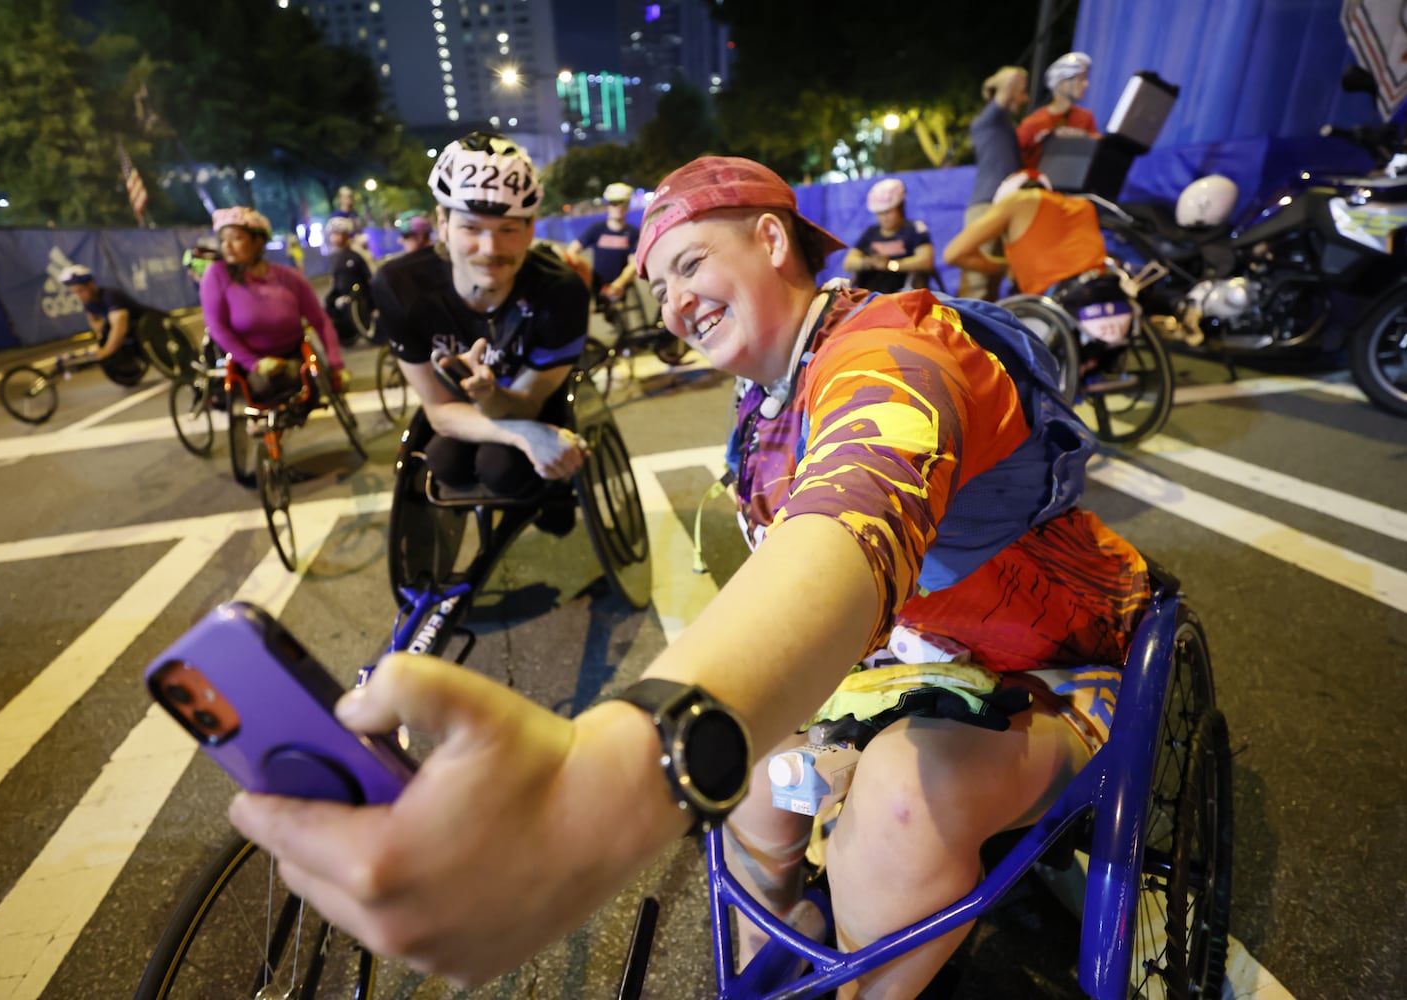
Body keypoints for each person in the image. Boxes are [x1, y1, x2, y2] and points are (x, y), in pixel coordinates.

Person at [229, 155, 1150, 998]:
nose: (671, 303)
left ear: (771, 238)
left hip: (1049, 669)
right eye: (657, 284)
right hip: (892, 670)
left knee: (902, 804)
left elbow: (850, 519)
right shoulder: (765, 395)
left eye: (688, 264)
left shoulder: (892, 351)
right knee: (760, 780)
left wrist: (609, 785)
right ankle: (771, 960)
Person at [366, 131, 590, 518]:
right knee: (443, 461)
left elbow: (529, 402)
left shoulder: (560, 291)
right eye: (471, 228)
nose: (490, 250)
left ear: (530, 229)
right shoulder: (398, 287)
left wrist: (490, 396)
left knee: (499, 468)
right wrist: (525, 436)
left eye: (507, 230)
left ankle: (542, 504)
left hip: (527, 396)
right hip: (457, 405)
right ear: (443, 222)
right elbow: (438, 411)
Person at [199, 205, 348, 403]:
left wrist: (336, 365)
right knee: (262, 391)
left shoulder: (288, 277)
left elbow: (320, 321)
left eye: (236, 238)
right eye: (223, 239)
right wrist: (254, 363)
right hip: (249, 362)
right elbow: (217, 327)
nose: (227, 246)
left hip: (295, 355)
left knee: (317, 388)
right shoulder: (217, 275)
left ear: (258, 241)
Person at [943, 168, 1108, 298]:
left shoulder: (1016, 200)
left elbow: (953, 254)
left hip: (1055, 303)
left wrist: (1006, 267)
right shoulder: (1084, 205)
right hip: (1106, 290)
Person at [958, 65, 1030, 300]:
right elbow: (1007, 82)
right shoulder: (986, 122)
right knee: (977, 280)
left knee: (997, 278)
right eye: (1021, 91)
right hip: (986, 206)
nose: (1025, 97)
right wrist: (1014, 78)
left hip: (1005, 207)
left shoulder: (1005, 128)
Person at [57, 264, 154, 381]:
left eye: (80, 291)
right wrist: (103, 332)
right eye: (75, 292)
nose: (78, 296)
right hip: (133, 333)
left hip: (150, 324)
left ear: (91, 285)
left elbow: (119, 328)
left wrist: (106, 351)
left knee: (114, 337)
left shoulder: (110, 296)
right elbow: (95, 321)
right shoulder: (89, 303)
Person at [841, 177, 935, 293]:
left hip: (904, 295)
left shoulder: (915, 229)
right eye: (880, 213)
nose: (884, 217)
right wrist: (868, 263)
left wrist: (890, 265)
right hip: (871, 297)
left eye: (888, 212)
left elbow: (926, 261)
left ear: (900, 208)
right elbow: (848, 262)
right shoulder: (871, 232)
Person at [563, 182, 641, 310]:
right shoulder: (597, 229)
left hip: (620, 287)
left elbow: (634, 263)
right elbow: (572, 251)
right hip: (596, 285)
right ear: (608, 205)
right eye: (615, 203)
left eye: (624, 203)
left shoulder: (633, 233)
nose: (619, 207)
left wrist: (618, 284)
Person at [1018, 51, 1100, 170]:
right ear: (1061, 83)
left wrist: (1084, 137)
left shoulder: (1085, 117)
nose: (1086, 84)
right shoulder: (1033, 123)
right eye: (1081, 79)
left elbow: (1101, 150)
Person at [324, 215, 375, 341]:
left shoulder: (358, 253)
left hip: (358, 295)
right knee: (328, 302)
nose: (335, 237)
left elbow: (371, 276)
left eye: (338, 233)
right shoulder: (336, 256)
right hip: (342, 294)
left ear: (346, 234)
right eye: (333, 234)